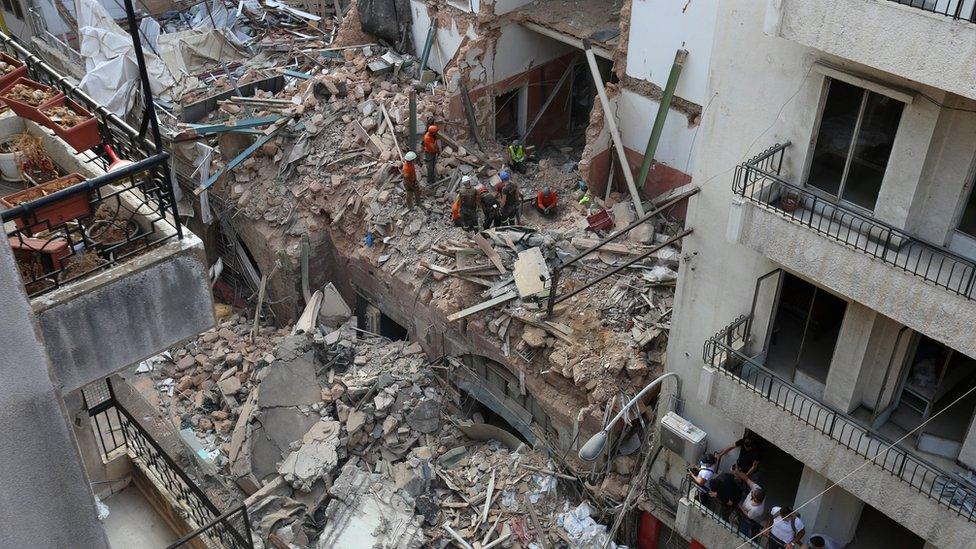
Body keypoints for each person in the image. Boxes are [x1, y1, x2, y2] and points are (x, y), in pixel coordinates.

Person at [732, 468, 765, 538]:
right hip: (745, 511)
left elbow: (748, 515)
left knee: (744, 530)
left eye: (752, 494)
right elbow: (747, 480)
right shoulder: (757, 489)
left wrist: (740, 507)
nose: (751, 492)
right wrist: (738, 473)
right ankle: (738, 521)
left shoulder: (756, 510)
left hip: (749, 519)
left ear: (756, 499)